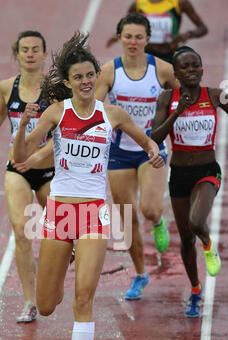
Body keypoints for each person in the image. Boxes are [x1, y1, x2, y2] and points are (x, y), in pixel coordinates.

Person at [12, 32, 164, 340]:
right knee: (47, 306)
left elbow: (144, 140)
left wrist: (153, 152)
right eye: (77, 77)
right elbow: (21, 155)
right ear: (66, 82)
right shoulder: (56, 113)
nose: (85, 81)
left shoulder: (110, 114)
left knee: (85, 298)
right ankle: (64, 262)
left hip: (94, 213)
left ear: (96, 76)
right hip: (60, 212)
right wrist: (22, 127)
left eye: (90, 75)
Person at [0, 31, 55, 323]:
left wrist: (38, 157)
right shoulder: (7, 87)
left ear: (45, 55)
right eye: (24, 49)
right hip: (17, 167)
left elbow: (65, 132)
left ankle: (59, 269)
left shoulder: (55, 89)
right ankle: (30, 301)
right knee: (21, 232)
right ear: (16, 55)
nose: (29, 54)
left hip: (48, 168)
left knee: (61, 232)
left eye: (35, 50)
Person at [96, 13, 177, 300]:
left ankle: (157, 223)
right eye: (127, 36)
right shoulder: (108, 72)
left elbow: (186, 98)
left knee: (150, 208)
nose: (133, 42)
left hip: (151, 149)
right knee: (126, 217)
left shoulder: (163, 70)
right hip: (118, 153)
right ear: (119, 38)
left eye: (138, 37)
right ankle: (140, 274)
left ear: (147, 39)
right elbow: (92, 109)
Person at [151, 46, 226, 317]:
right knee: (184, 240)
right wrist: (177, 112)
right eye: (185, 66)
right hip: (179, 175)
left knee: (196, 223)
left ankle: (207, 242)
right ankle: (195, 290)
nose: (192, 70)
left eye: (196, 65)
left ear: (203, 70)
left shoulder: (214, 96)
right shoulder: (166, 98)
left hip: (207, 171)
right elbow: (156, 138)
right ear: (176, 72)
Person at [106, 0, 208, 63]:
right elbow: (126, 26)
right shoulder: (138, 4)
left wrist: (188, 34)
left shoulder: (179, 3)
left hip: (170, 56)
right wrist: (116, 35)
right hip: (146, 56)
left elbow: (203, 28)